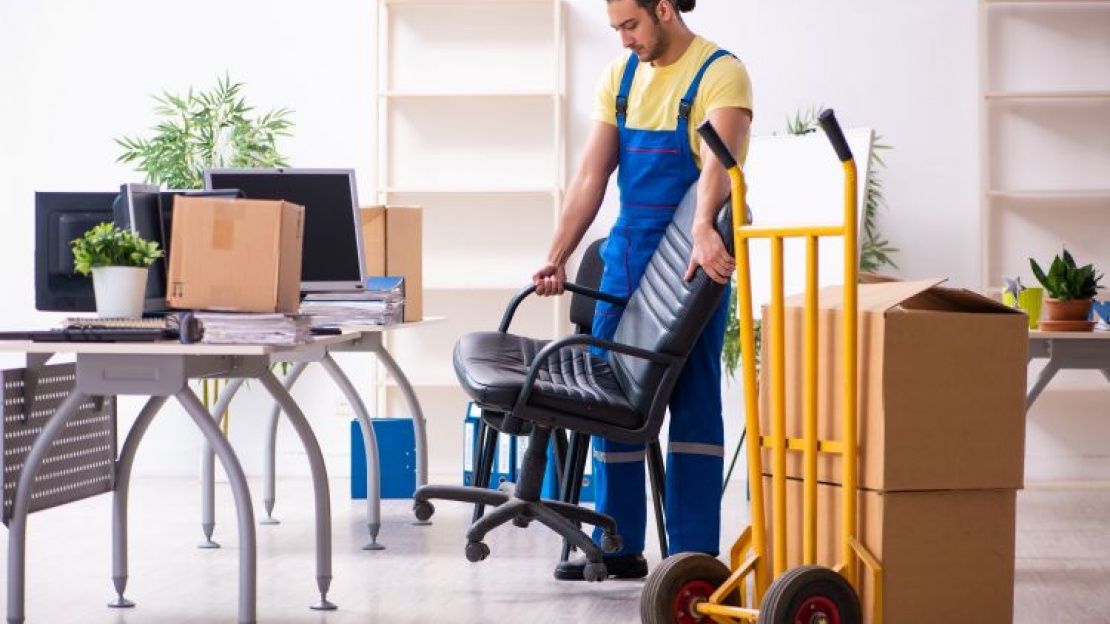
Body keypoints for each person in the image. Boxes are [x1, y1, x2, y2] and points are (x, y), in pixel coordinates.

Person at [532, 0, 752, 581]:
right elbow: (591, 175)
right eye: (616, 29)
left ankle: (692, 555)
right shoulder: (621, 77)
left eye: (631, 25)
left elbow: (719, 167)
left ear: (663, 9)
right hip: (626, 264)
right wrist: (555, 256)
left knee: (694, 406)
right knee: (611, 404)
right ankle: (618, 542)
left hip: (692, 270)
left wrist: (704, 227)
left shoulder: (719, 72)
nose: (624, 40)